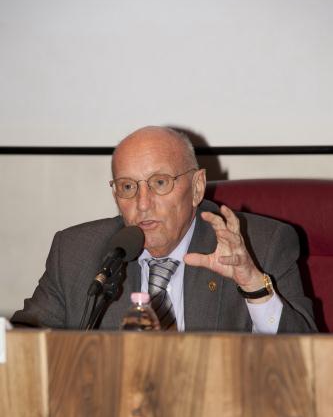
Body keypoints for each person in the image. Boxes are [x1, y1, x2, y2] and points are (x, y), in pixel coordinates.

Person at [11, 126, 317, 332]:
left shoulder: (259, 245)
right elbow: (22, 348)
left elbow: (306, 360)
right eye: (128, 187)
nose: (143, 204)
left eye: (160, 183)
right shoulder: (76, 252)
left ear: (197, 188)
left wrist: (253, 285)